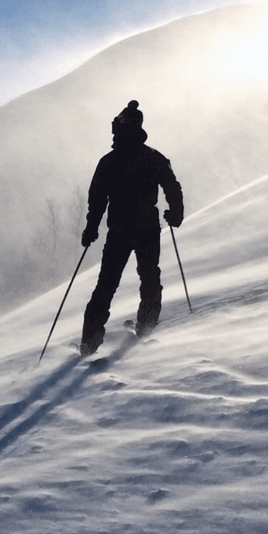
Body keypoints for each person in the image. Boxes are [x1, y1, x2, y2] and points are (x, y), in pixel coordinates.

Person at [79, 100, 184, 355]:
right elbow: (172, 186)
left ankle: (89, 344)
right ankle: (146, 329)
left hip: (119, 232)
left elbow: (97, 199)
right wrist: (175, 213)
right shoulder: (154, 157)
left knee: (106, 284)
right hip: (148, 229)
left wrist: (91, 228)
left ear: (120, 128)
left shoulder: (109, 162)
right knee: (150, 278)